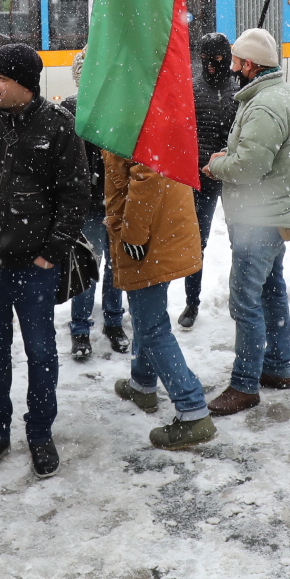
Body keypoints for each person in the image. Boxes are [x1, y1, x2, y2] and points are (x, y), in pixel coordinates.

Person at [0, 43, 92, 479]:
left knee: (42, 353)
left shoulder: (58, 125)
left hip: (33, 269)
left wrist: (51, 254)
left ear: (26, 84)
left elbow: (75, 195)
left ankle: (40, 434)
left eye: (1, 78)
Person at [203, 28, 290, 418]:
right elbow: (260, 152)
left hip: (258, 217)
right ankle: (277, 367)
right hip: (272, 212)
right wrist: (231, 152)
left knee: (245, 298)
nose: (231, 69)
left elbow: (250, 166)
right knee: (271, 290)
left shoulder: (264, 105)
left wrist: (217, 165)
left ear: (249, 65)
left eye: (236, 62)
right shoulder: (280, 95)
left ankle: (245, 384)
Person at [104, 152, 215, 450]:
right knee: (146, 316)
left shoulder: (132, 111)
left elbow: (147, 173)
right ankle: (142, 383)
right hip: (161, 230)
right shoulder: (151, 112)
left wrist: (133, 235)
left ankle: (192, 411)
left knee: (151, 327)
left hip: (147, 236)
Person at [61, 52, 127, 361]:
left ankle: (92, 327)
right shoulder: (71, 110)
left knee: (98, 266)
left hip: (106, 201)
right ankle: (90, 327)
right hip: (92, 203)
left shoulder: (112, 108)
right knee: (96, 267)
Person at [186, 31, 240, 328]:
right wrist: (202, 162)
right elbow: (186, 135)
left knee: (240, 240)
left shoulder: (239, 89)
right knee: (196, 243)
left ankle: (239, 298)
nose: (210, 66)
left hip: (233, 175)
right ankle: (191, 303)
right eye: (205, 60)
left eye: (217, 60)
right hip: (202, 176)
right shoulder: (192, 88)